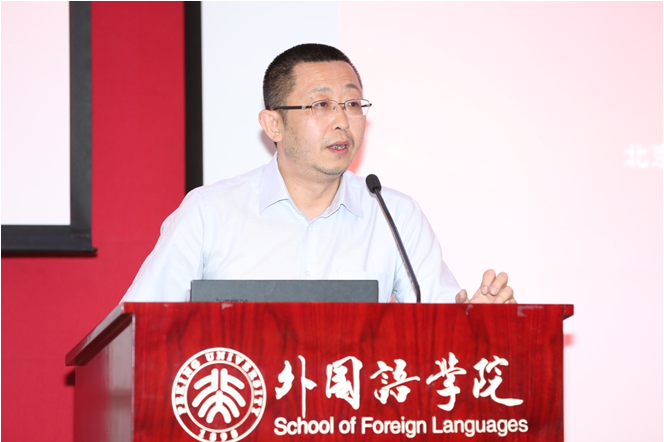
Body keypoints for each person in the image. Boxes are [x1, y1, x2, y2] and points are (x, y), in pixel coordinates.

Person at [121, 43, 515, 305]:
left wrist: (477, 323)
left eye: (353, 104)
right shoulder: (210, 213)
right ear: (274, 125)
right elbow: (139, 323)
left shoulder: (395, 215)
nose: (342, 120)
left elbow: (442, 326)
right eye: (322, 105)